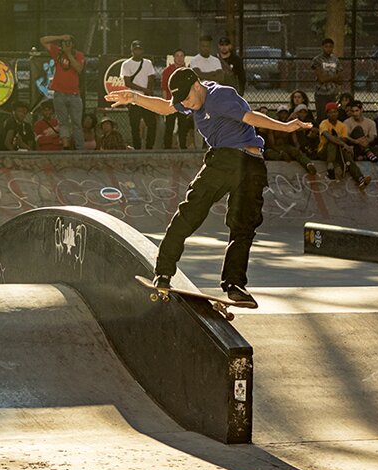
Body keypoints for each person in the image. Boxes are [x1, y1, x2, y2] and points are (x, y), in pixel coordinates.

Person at [105, 66, 312, 306]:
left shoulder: (220, 95)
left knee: (243, 225)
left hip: (247, 163)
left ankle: (235, 284)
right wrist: (135, 97)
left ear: (196, 85)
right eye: (182, 101)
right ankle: (163, 272)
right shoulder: (191, 99)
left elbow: (250, 117)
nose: (187, 104)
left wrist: (285, 127)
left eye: (188, 98)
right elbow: (165, 107)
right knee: (189, 213)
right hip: (222, 160)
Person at [39, 33, 85, 151]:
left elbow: (79, 69)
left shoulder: (78, 55)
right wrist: (60, 37)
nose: (66, 44)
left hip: (74, 95)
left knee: (76, 123)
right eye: (65, 43)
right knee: (63, 122)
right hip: (59, 94)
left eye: (69, 42)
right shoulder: (58, 52)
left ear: (73, 44)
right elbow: (43, 40)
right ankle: (66, 146)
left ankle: (80, 149)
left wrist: (69, 53)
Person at [317, 102, 370, 186]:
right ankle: (330, 165)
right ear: (327, 114)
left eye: (335, 112)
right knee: (332, 142)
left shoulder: (342, 125)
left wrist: (345, 145)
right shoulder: (324, 123)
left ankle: (360, 179)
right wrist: (343, 144)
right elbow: (328, 136)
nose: (333, 114)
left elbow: (344, 138)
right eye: (331, 112)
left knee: (348, 158)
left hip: (338, 151)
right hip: (324, 151)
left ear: (338, 113)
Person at [122, 40, 158, 150]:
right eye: (135, 50)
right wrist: (144, 89)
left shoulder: (147, 63)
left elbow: (151, 77)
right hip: (134, 99)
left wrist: (148, 91)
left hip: (146, 99)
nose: (138, 52)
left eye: (139, 49)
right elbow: (127, 82)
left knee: (152, 124)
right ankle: (137, 148)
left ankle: (149, 147)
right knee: (135, 126)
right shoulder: (126, 64)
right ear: (132, 51)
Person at [263, 106, 317, 175]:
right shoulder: (273, 126)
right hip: (276, 148)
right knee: (268, 153)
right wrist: (281, 153)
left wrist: (297, 149)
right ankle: (282, 156)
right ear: (278, 115)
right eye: (281, 113)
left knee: (296, 152)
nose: (283, 115)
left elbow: (295, 141)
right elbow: (271, 144)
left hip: (287, 147)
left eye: (285, 113)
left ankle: (308, 164)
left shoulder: (290, 125)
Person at [161, 49, 192, 149]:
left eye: (181, 55)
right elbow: (164, 89)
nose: (179, 58)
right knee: (169, 127)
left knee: (183, 127)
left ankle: (183, 147)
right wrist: (165, 104)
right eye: (177, 56)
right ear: (174, 57)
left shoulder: (188, 71)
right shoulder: (167, 71)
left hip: (184, 104)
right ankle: (167, 148)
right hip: (171, 103)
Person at [311, 38, 344, 119]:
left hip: (333, 93)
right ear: (322, 47)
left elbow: (340, 80)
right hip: (321, 93)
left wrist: (328, 78)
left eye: (330, 47)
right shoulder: (317, 60)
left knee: (332, 117)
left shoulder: (336, 60)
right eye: (326, 46)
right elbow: (321, 79)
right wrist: (334, 78)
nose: (328, 49)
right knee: (322, 116)